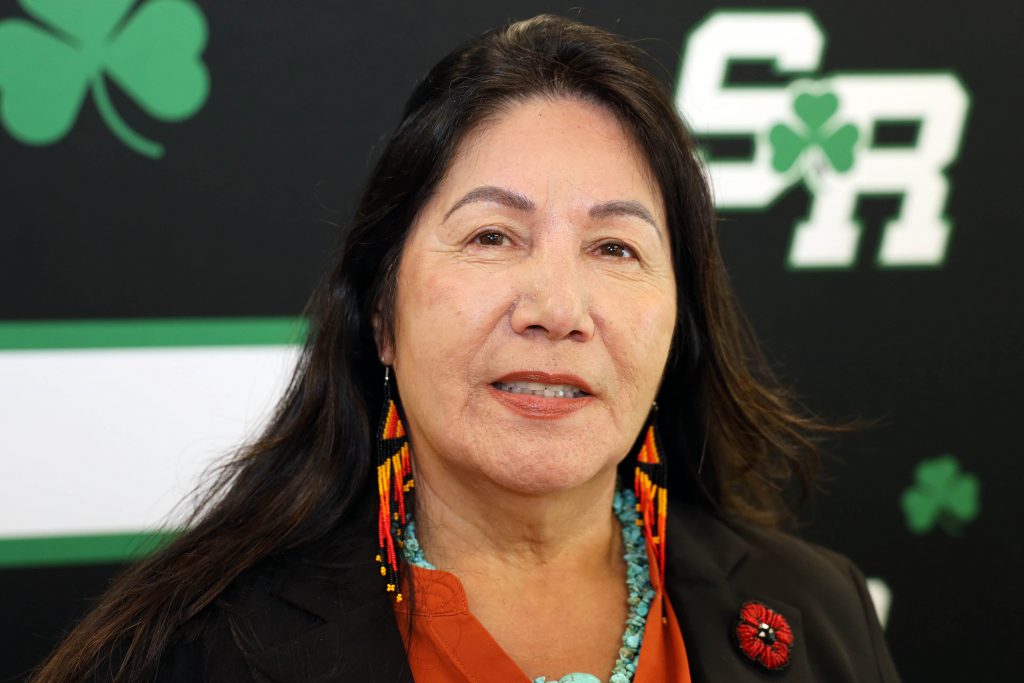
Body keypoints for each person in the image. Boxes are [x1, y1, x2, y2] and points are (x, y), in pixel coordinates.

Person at [32, 14, 900, 683]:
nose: (559, 310)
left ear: (679, 320)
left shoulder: (816, 607)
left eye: (615, 249)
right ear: (381, 311)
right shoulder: (201, 649)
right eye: (491, 236)